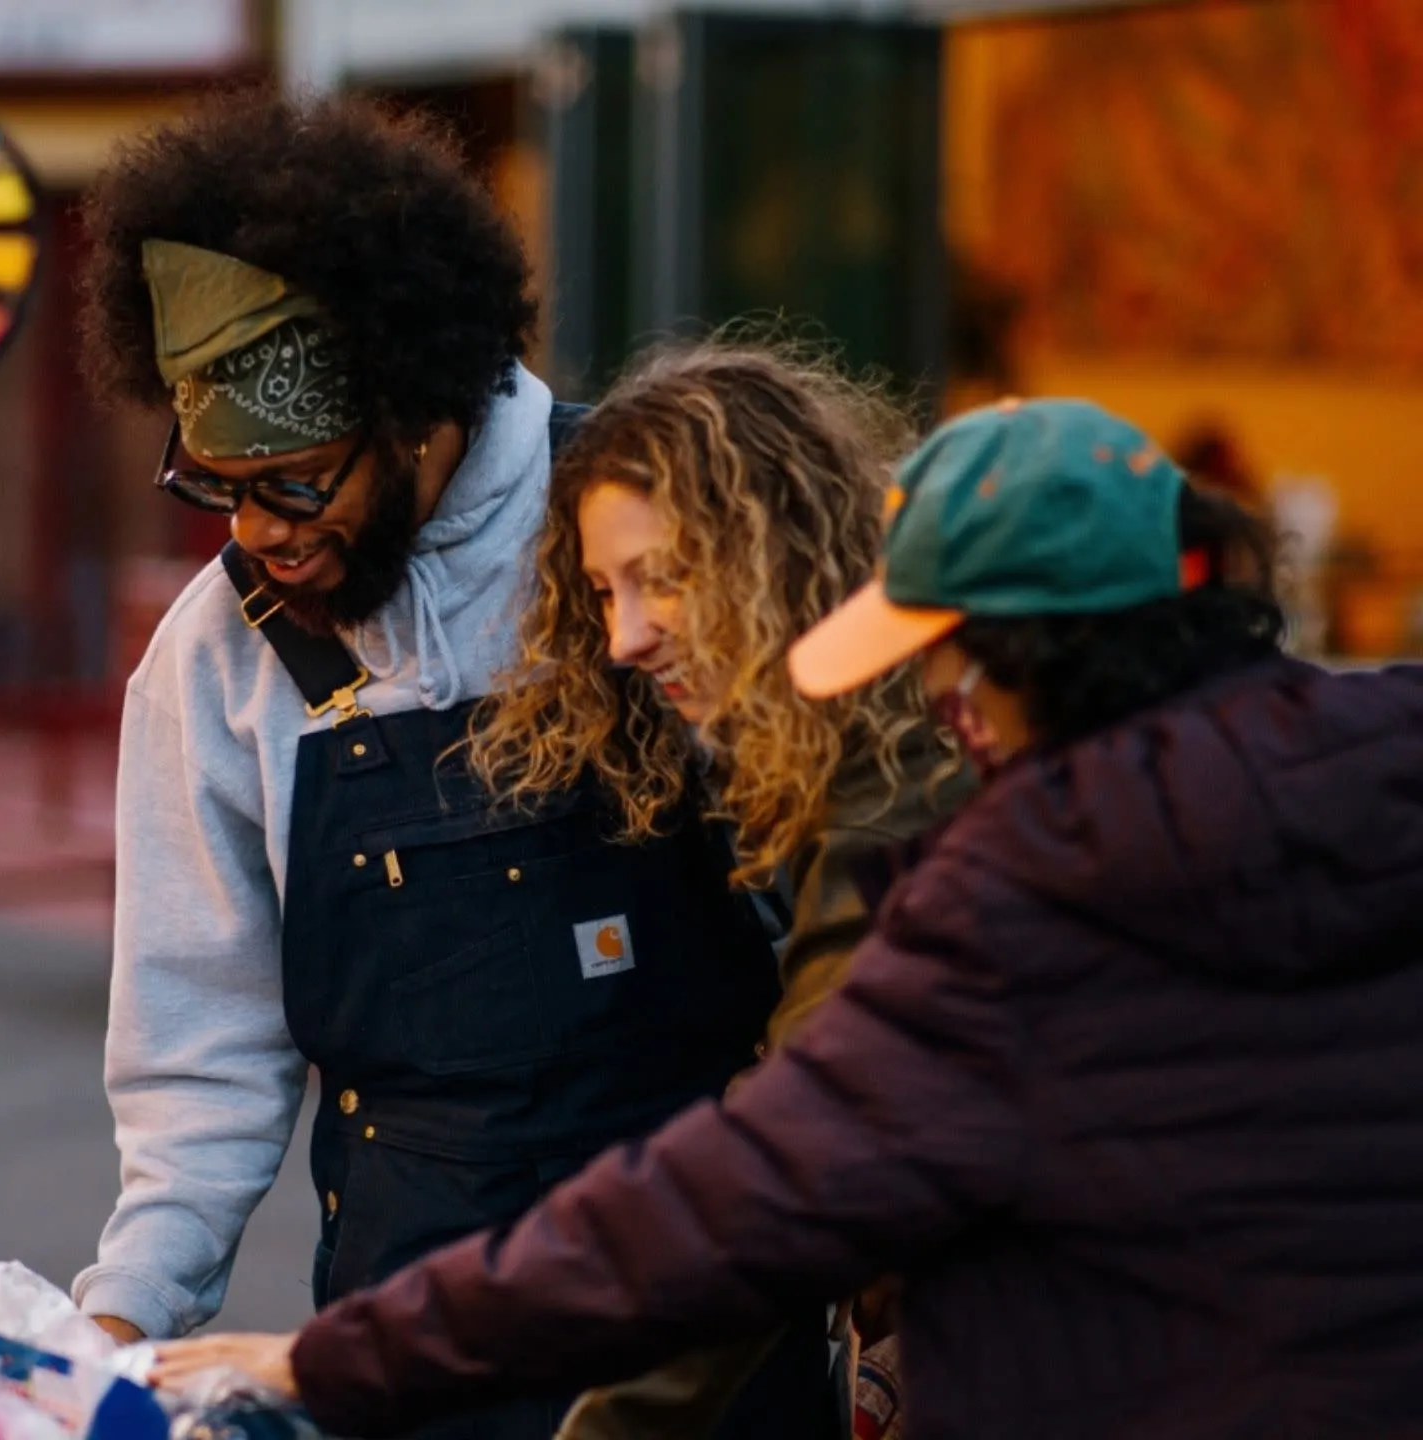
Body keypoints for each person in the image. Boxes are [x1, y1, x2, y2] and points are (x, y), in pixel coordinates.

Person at [152, 398, 1423, 1438]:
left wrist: (337, 1363)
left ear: (1025, 653)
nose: (934, 684)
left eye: (947, 649)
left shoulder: (1015, 895)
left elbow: (729, 1205)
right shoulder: (1388, 750)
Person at [72, 95, 784, 1439]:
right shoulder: (217, 661)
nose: (256, 533)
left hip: (712, 1338)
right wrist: (114, 1325)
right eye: (217, 485)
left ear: (415, 408)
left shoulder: (640, 548)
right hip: (409, 1359)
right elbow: (198, 1071)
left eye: (295, 482)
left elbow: (834, 938)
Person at [459, 340, 964, 1439]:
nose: (624, 638)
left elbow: (793, 1158)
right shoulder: (843, 750)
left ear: (775, 552)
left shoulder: (893, 793)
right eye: (603, 592)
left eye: (667, 578)